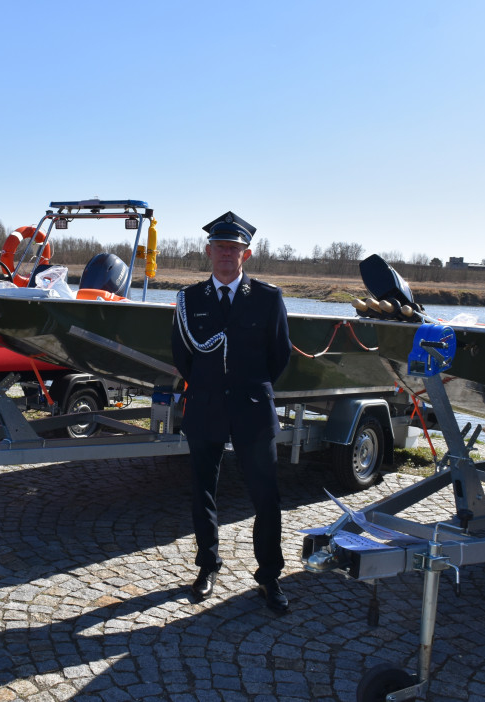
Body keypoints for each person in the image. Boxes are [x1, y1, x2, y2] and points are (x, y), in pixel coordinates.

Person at [170, 211, 292, 611]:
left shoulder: (268, 298)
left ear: (247, 254)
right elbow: (182, 356)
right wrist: (209, 387)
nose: (226, 254)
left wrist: (247, 387)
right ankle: (207, 565)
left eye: (234, 248)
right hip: (205, 406)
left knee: (266, 496)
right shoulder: (188, 300)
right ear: (208, 252)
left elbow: (279, 356)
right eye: (220, 247)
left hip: (253, 410)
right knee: (203, 491)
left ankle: (270, 576)